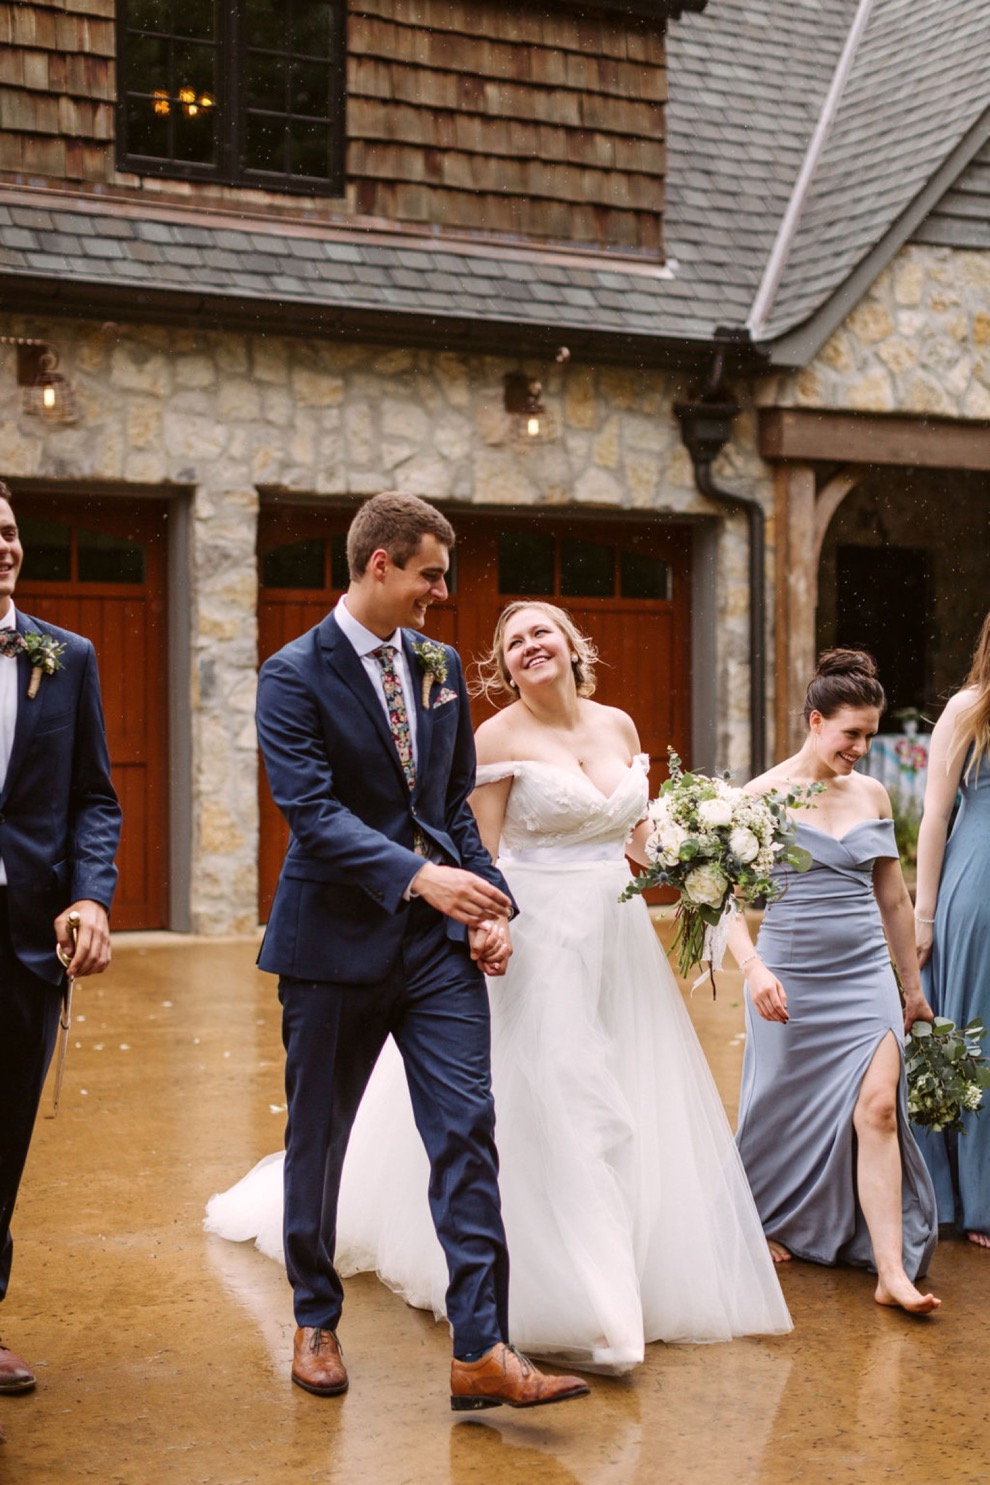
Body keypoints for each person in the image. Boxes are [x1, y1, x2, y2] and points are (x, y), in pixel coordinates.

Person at [210, 599, 792, 1371]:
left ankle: (600, 1290)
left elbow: (641, 845)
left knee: (614, 1103)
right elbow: (469, 838)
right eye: (511, 641)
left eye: (539, 631)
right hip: (535, 938)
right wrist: (492, 919)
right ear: (504, 664)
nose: (526, 645)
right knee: (561, 1101)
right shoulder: (495, 734)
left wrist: (709, 849)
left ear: (572, 642)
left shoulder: (617, 725)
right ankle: (586, 1307)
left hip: (614, 941)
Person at [248, 495, 588, 1410]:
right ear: (381, 566)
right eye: (432, 574)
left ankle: (481, 1347)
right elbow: (312, 816)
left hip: (436, 952)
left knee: (466, 1132)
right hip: (330, 946)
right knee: (319, 1139)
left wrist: (490, 907)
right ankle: (315, 1316)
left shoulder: (437, 666)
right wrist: (420, 878)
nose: (445, 591)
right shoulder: (292, 673)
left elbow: (451, 812)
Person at [727, 649, 939, 1313]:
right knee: (776, 1108)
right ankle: (754, 1218)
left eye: (871, 735)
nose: (862, 747)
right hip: (789, 976)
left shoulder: (871, 794)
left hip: (864, 975)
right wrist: (754, 968)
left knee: (877, 1107)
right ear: (815, 721)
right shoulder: (761, 795)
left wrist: (910, 986)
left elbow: (894, 898)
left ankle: (890, 1272)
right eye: (852, 733)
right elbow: (722, 903)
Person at [0, 481, 121, 1404]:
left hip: (21, 940)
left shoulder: (63, 656)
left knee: (4, 1135)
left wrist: (89, 895)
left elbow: (93, 798)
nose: (5, 547)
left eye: (8, 533)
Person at [914, 609, 990, 1245]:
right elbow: (934, 816)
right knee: (973, 1032)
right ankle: (976, 1194)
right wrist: (923, 914)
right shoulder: (971, 706)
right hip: (980, 879)